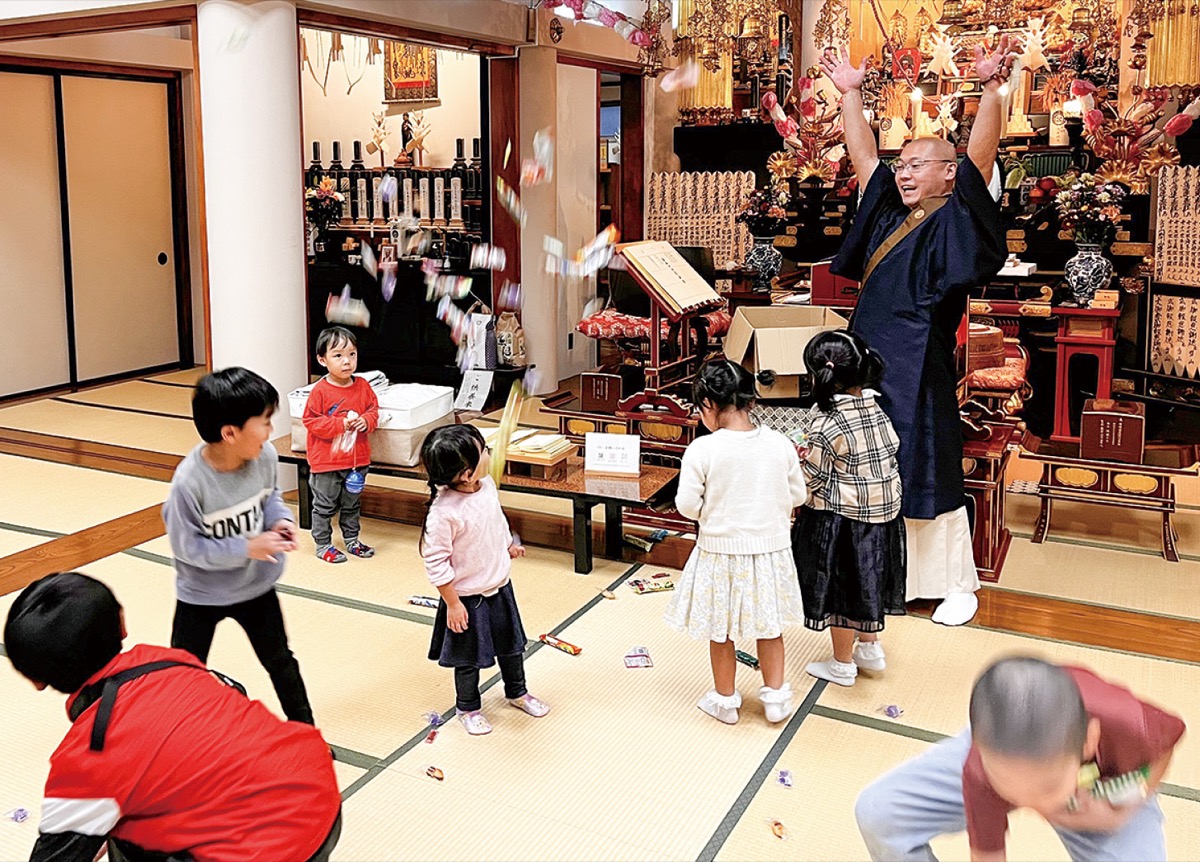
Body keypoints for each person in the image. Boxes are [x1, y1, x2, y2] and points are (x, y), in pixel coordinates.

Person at [821, 37, 1018, 626]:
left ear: (947, 173)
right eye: (901, 164)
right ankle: (889, 579)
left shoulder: (956, 213)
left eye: (916, 164)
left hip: (920, 359)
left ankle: (959, 585)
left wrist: (990, 91)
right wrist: (851, 97)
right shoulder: (886, 210)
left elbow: (980, 160)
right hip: (867, 361)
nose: (902, 172)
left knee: (927, 465)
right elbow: (863, 162)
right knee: (870, 469)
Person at [4, 572, 341, 862]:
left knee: (123, 826)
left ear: (35, 679)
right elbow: (231, 694)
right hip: (319, 794)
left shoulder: (86, 758)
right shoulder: (169, 660)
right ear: (122, 623)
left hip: (265, 851)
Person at [855, 657, 1186, 861]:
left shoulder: (1128, 724)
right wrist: (1017, 791)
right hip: (1009, 758)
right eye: (1015, 797)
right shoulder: (983, 770)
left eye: (1046, 790)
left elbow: (1167, 744)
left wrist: (1128, 806)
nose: (1033, 807)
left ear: (1089, 743)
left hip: (1095, 789)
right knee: (880, 812)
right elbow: (988, 855)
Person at [163, 367, 315, 724]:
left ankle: (305, 733)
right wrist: (248, 546)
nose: (270, 431)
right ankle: (174, 739)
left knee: (281, 661)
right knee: (180, 674)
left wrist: (280, 521)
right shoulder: (188, 483)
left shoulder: (263, 458)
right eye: (263, 422)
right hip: (200, 594)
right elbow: (188, 549)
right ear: (230, 433)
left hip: (255, 587)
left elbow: (270, 498)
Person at [664, 360, 808, 725]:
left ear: (709, 405)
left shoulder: (703, 449)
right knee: (770, 626)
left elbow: (686, 505)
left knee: (720, 629)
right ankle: (775, 698)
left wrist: (711, 514)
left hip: (719, 553)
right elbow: (798, 495)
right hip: (771, 551)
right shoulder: (779, 444)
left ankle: (725, 701)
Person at [789, 331, 905, 688]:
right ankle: (869, 646)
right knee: (867, 580)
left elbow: (815, 479)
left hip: (843, 519)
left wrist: (792, 483)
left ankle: (842, 664)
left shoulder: (827, 423)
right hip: (885, 517)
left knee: (840, 592)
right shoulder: (876, 408)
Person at [419, 423, 549, 736]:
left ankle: (517, 692)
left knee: (512, 647)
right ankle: (467, 707)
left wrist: (508, 544)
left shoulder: (486, 484)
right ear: (465, 473)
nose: (489, 454)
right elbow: (435, 562)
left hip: (500, 586)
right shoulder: (444, 513)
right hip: (466, 598)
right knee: (468, 659)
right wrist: (452, 603)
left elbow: (495, 519)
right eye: (484, 452)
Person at [303, 326, 380, 564]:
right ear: (322, 359)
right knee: (324, 505)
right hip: (326, 462)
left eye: (352, 354)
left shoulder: (364, 387)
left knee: (352, 504)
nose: (346, 361)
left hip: (357, 461)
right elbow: (311, 421)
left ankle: (352, 540)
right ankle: (323, 544)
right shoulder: (320, 391)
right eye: (338, 355)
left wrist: (365, 421)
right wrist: (341, 425)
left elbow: (374, 412)